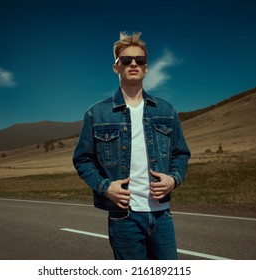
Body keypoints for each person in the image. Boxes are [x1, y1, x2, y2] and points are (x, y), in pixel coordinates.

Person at [73, 32, 190, 260]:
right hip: (124, 217)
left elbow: (180, 154)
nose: (134, 64)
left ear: (146, 68)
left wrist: (174, 179)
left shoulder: (166, 111)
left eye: (140, 60)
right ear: (116, 67)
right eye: (126, 60)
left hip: (162, 215)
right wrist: (105, 187)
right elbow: (82, 159)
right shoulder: (96, 113)